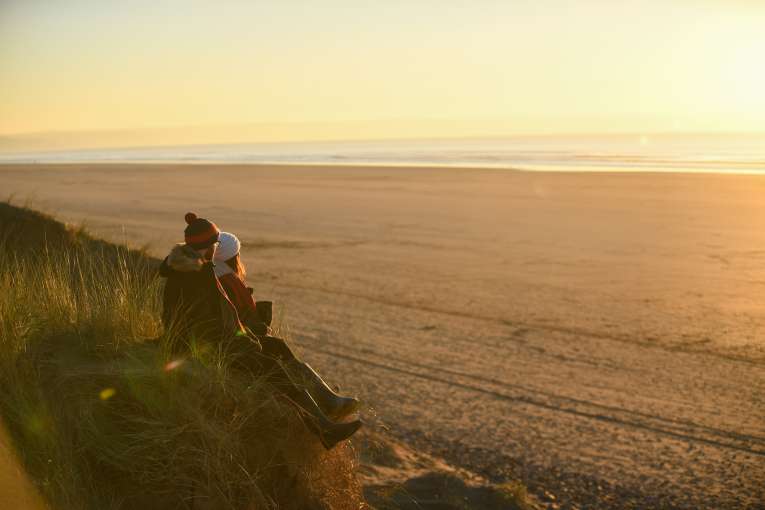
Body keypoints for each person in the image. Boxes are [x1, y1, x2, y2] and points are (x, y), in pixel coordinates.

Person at [159, 212, 361, 449]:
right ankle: (323, 428)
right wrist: (242, 343)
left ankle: (328, 404)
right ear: (208, 246)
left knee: (276, 347)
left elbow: (217, 318)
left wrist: (245, 336)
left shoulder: (191, 267)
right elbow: (206, 325)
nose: (216, 247)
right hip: (200, 348)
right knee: (272, 368)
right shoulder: (195, 276)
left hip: (208, 339)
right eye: (214, 243)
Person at [213, 231, 360, 421]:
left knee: (279, 348)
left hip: (234, 337)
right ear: (234, 257)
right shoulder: (226, 279)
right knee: (277, 355)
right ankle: (327, 406)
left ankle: (329, 401)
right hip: (234, 341)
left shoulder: (217, 273)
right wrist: (257, 329)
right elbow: (234, 319)